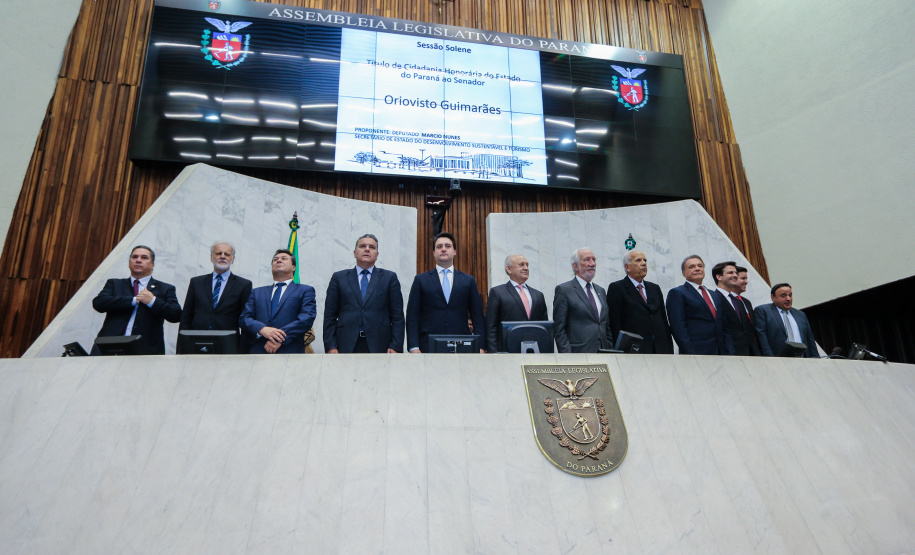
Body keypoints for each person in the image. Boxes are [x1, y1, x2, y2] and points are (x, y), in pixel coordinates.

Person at [92, 245, 182, 354]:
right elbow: (99, 303)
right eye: (134, 257)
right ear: (129, 262)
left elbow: (176, 315)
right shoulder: (114, 284)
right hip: (109, 347)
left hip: (145, 351)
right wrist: (134, 300)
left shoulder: (165, 289)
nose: (138, 260)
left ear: (152, 265)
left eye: (144, 258)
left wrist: (153, 301)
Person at [323, 234, 405, 353]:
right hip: (345, 345)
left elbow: (397, 316)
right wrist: (331, 345)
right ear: (355, 252)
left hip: (381, 345)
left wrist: (395, 345)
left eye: (372, 247)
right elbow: (330, 316)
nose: (367, 249)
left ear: (377, 255)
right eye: (362, 246)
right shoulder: (339, 278)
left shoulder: (389, 278)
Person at [406, 232, 485, 353]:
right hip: (428, 345)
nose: (443, 249)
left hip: (462, 344)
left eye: (447, 246)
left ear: (454, 251)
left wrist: (480, 346)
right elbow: (412, 316)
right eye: (439, 246)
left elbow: (478, 316)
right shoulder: (421, 280)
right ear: (433, 253)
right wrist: (413, 347)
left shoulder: (468, 281)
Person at [178, 241, 253, 350]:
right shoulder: (196, 282)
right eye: (218, 253)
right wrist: (181, 348)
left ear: (233, 259)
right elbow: (186, 317)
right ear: (211, 257)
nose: (222, 257)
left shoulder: (244, 285)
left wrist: (243, 350)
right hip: (196, 343)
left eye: (227, 254)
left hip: (228, 345)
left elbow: (245, 319)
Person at [239, 249, 316, 354]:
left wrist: (279, 338)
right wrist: (262, 329)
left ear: (294, 267)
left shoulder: (305, 290)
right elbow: (245, 318)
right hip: (259, 351)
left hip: (290, 351)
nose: (279, 260)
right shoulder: (257, 292)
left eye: (284, 258)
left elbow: (306, 318)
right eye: (275, 259)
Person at [606, 250, 673, 354]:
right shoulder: (617, 288)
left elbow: (664, 321)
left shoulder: (654, 288)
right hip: (634, 350)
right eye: (638, 260)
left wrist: (669, 349)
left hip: (660, 350)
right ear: (627, 267)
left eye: (645, 260)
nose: (644, 263)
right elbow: (615, 324)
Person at [665, 254, 732, 355]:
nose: (697, 269)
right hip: (696, 354)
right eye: (691, 267)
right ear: (683, 273)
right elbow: (678, 327)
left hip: (721, 353)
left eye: (700, 266)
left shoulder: (715, 295)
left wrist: (729, 351)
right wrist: (691, 354)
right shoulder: (678, 293)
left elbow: (724, 326)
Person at [484, 254, 549, 352]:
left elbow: (544, 326)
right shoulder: (497, 292)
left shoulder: (538, 295)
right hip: (507, 350)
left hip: (535, 351)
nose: (526, 268)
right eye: (521, 265)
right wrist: (494, 353)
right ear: (509, 269)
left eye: (527, 265)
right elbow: (491, 327)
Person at [553, 248, 611, 353]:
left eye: (594, 260)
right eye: (587, 260)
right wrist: (567, 356)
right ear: (575, 266)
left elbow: (606, 325)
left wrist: (610, 349)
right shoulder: (564, 290)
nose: (592, 263)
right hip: (579, 354)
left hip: (604, 353)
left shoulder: (600, 291)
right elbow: (559, 328)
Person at [754, 283, 819, 357]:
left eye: (790, 295)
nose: (788, 299)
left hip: (803, 360)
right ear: (773, 297)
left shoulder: (800, 315)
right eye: (783, 296)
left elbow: (810, 340)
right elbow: (762, 338)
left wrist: (816, 359)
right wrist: (771, 360)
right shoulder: (763, 311)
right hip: (779, 361)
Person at [711, 261, 760, 356]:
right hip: (728, 354)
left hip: (749, 354)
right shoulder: (713, 299)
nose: (735, 275)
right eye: (730, 273)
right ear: (719, 277)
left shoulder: (738, 301)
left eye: (735, 273)